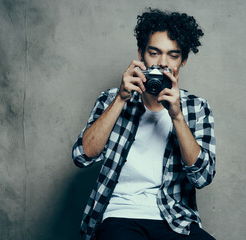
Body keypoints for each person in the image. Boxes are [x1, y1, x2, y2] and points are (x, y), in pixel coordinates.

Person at [72, 8, 216, 240]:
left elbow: (202, 177)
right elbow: (81, 156)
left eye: (173, 55)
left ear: (183, 61)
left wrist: (177, 117)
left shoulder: (196, 107)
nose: (162, 63)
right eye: (154, 52)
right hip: (119, 215)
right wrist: (120, 98)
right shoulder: (111, 98)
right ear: (141, 53)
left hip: (174, 218)